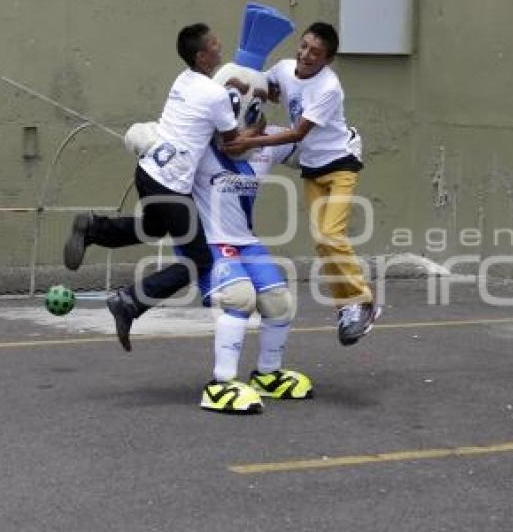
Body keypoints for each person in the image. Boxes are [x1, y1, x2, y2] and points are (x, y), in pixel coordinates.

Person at [63, 23, 238, 352]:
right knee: (199, 260)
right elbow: (233, 142)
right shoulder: (216, 95)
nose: (219, 45)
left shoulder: (182, 79)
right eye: (214, 43)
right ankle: (129, 301)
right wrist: (274, 134)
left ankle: (94, 229)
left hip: (148, 171)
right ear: (202, 56)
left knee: (154, 227)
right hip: (172, 185)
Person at [223, 22, 379, 346]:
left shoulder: (329, 88)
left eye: (315, 53)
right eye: (304, 46)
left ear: (328, 60)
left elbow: (297, 134)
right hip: (312, 168)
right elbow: (262, 88)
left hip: (340, 165)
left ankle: (362, 302)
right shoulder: (283, 68)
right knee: (321, 242)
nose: (306, 55)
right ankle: (346, 307)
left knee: (330, 234)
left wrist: (249, 142)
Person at [194, 118, 312, 414]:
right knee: (239, 298)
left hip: (246, 240)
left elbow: (307, 148)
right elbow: (159, 138)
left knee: (280, 303)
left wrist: (342, 140)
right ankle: (221, 384)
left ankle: (267, 375)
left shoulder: (266, 143)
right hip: (209, 240)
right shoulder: (200, 140)